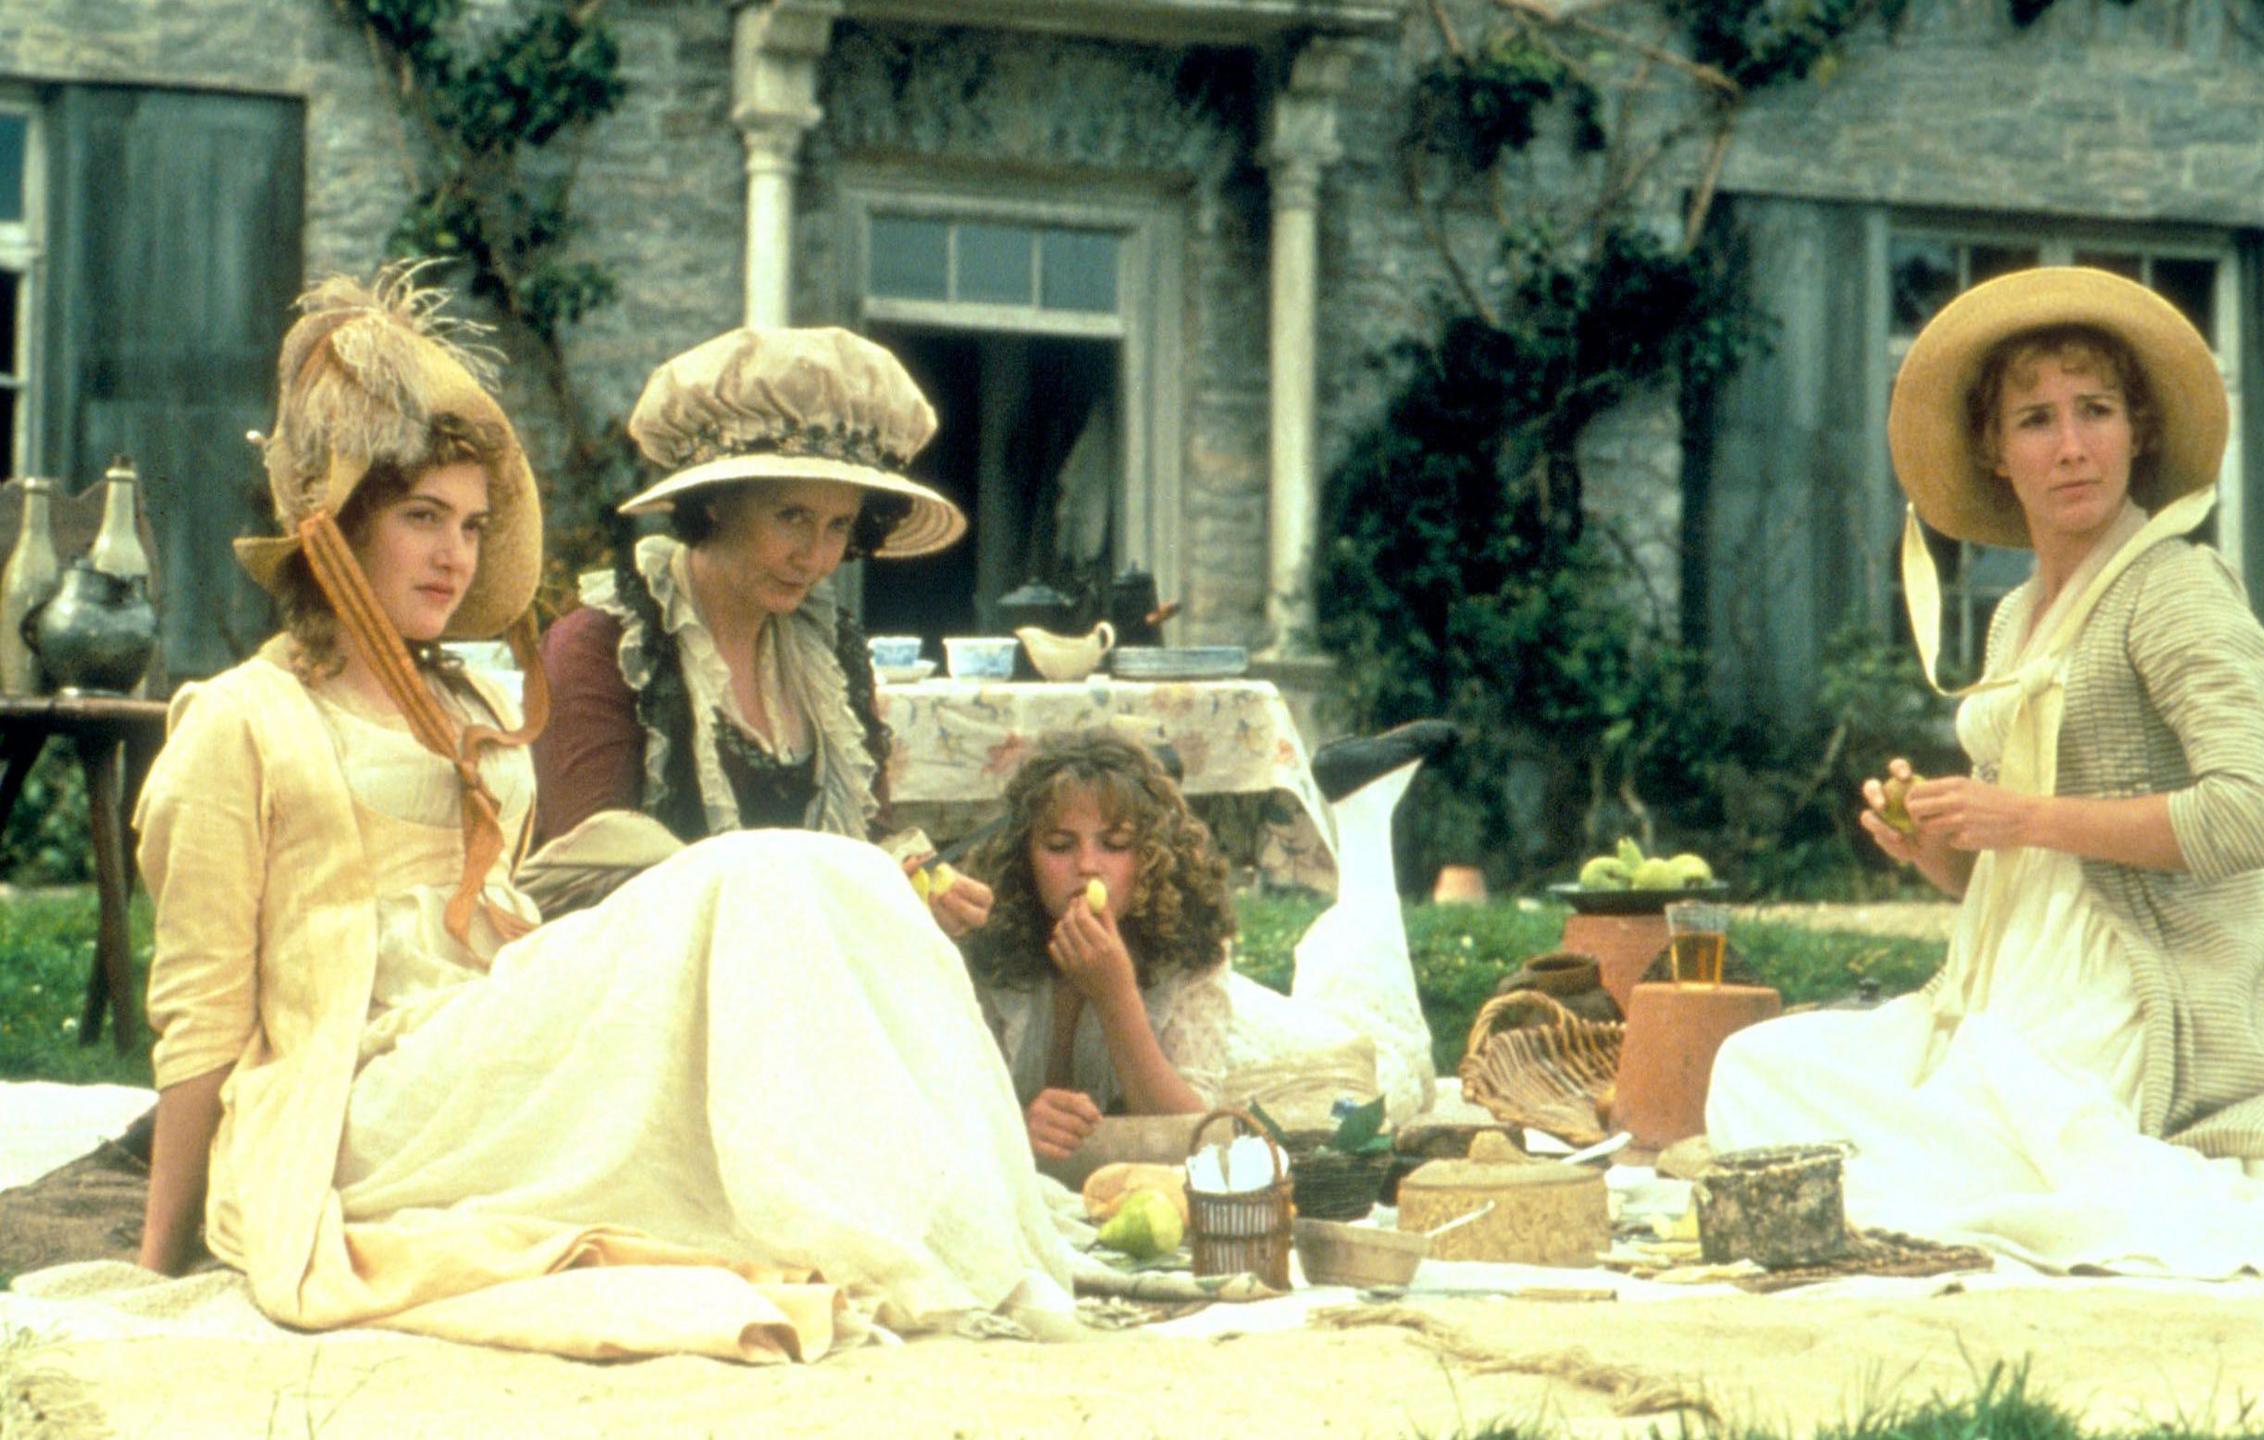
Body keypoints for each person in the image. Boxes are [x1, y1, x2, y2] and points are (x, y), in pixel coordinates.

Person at [135, 269, 1074, 1362]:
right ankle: (920, 1247)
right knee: (756, 873)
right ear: (337, 529)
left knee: (855, 877)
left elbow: (515, 910)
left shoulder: (474, 705)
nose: (454, 556)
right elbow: (198, 1011)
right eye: (421, 520)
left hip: (492, 1043)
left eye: (475, 526)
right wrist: (161, 1257)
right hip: (364, 1100)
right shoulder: (242, 721)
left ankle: (978, 1242)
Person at [1704, 267, 2264, 1276]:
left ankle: (2072, 1180)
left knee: (2002, 1127)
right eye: (2035, 420)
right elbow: (2015, 879)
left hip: (2140, 992)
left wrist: (2023, 814)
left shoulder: (2174, 589)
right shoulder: (2011, 616)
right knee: (1755, 1065)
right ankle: (1987, 1167)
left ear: (2138, 430)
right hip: (2012, 982)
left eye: (2095, 412)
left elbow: (2246, 818)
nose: (2070, 447)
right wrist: (1933, 847)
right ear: (1994, 451)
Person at [531, 325, 990, 933]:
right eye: (791, 516)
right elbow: (586, 892)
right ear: (719, 502)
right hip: (649, 978)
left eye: (837, 525)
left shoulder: (828, 656)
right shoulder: (604, 648)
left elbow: (858, 833)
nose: (816, 557)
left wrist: (907, 875)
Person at [958, 728, 1444, 1163]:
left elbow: (1194, 1137)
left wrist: (1114, 993)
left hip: (1272, 1060)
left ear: (1149, 853)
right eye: (1060, 846)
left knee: (1396, 1065)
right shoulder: (991, 946)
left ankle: (1363, 810)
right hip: (1218, 1060)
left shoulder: (1186, 947)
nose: (1087, 866)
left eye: (1115, 843)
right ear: (1025, 855)